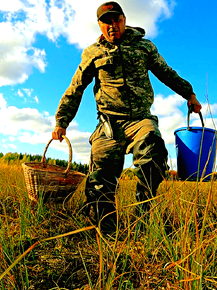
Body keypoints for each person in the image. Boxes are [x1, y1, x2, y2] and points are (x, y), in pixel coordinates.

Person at [52, 1, 202, 233]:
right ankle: (107, 230)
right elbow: (76, 87)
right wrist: (62, 121)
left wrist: (189, 94)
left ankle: (143, 216)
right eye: (106, 22)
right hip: (109, 124)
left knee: (153, 148)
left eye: (116, 20)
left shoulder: (144, 47)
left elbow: (166, 72)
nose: (112, 25)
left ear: (124, 20)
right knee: (100, 178)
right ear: (100, 25)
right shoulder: (93, 53)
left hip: (140, 119)